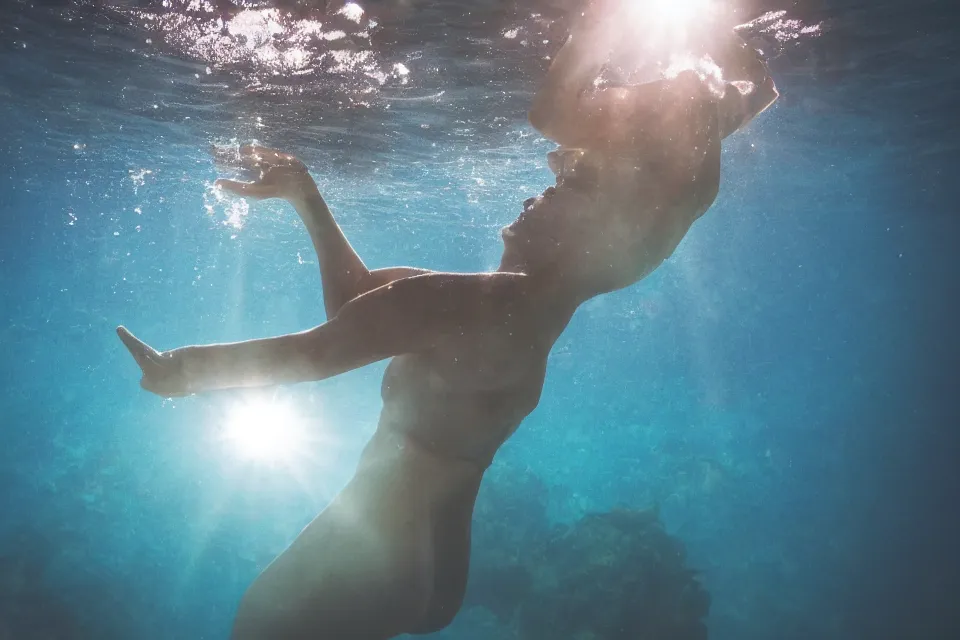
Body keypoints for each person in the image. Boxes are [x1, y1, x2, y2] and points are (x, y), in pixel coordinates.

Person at [117, 2, 778, 638]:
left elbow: (315, 354)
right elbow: (358, 308)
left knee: (260, 627)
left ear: (593, 236)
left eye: (572, 183)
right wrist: (306, 198)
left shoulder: (473, 308)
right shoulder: (519, 313)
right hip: (424, 566)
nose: (544, 180)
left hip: (374, 556)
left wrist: (184, 372)